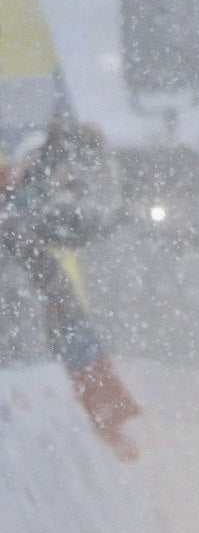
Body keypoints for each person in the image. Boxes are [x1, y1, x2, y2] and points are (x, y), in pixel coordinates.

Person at [1, 120, 140, 462]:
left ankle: (110, 420)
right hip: (47, 301)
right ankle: (108, 421)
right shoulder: (23, 210)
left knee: (80, 343)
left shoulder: (35, 207)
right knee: (77, 342)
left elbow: (75, 224)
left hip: (55, 297)